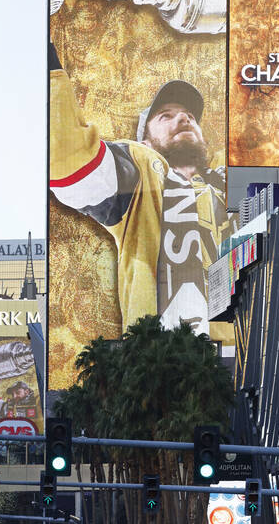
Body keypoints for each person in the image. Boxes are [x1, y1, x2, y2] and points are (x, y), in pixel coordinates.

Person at [50, 50, 228, 338]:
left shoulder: (231, 184)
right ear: (145, 138)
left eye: (190, 116)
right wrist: (49, 65)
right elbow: (71, 163)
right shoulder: (140, 172)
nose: (183, 118)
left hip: (247, 364)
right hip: (159, 365)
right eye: (165, 116)